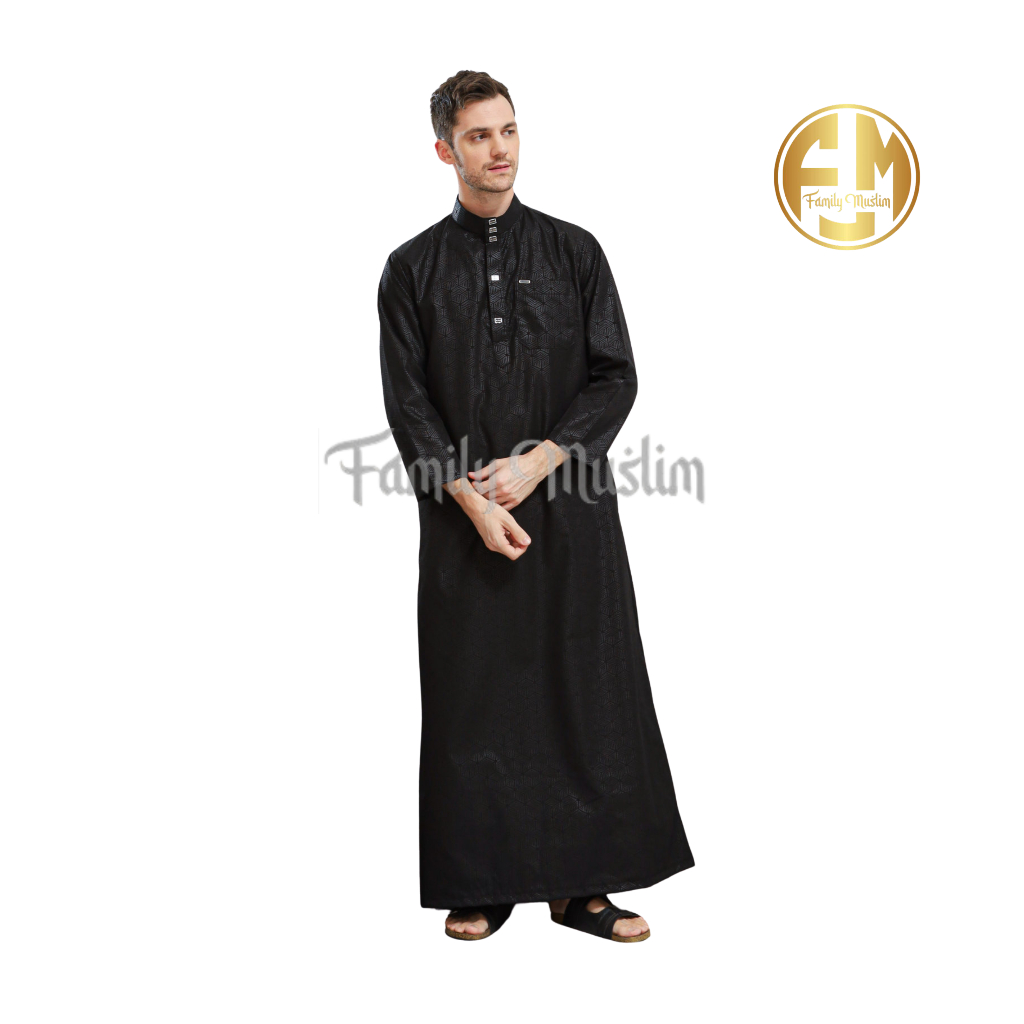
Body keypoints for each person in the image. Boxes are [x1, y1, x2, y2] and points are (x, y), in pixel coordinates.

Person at [378, 70, 695, 943]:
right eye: (478, 136)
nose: (500, 149)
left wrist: (541, 462)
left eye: (509, 130)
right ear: (444, 150)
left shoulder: (573, 252)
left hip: (570, 511)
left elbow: (615, 376)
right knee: (474, 695)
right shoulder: (410, 270)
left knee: (582, 687)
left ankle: (581, 890)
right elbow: (408, 405)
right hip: (463, 520)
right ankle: (484, 884)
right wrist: (476, 504)